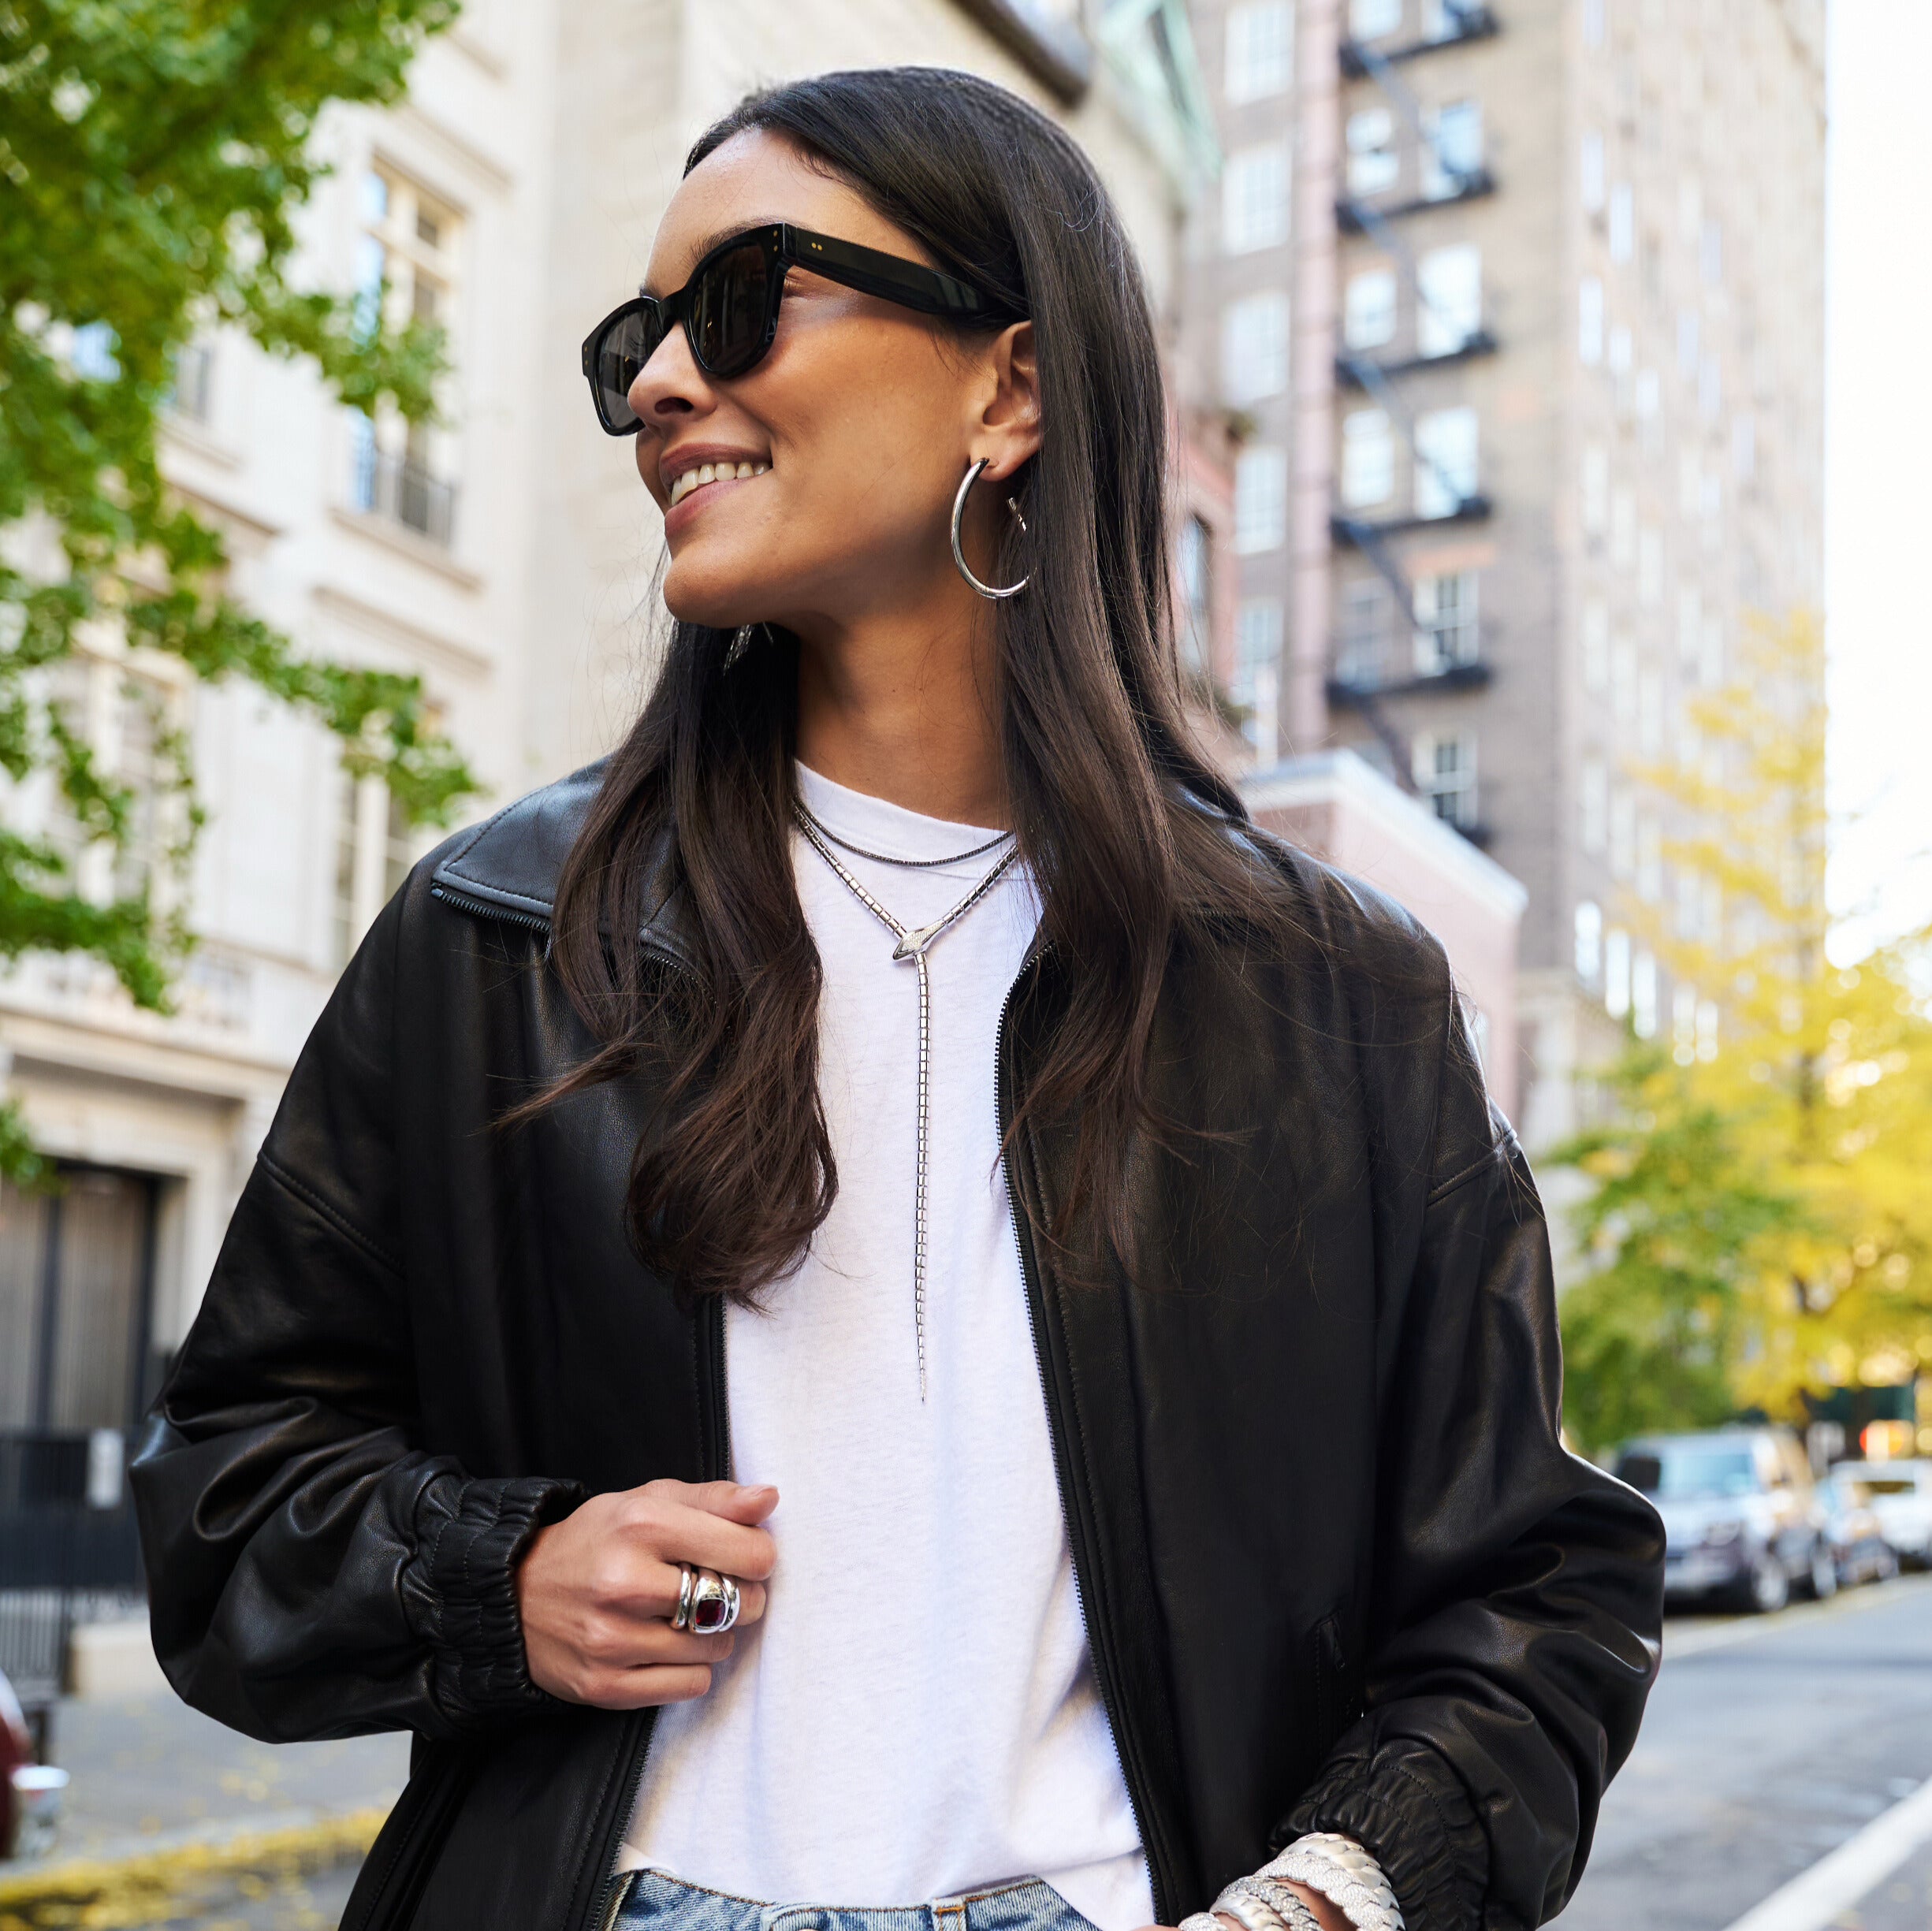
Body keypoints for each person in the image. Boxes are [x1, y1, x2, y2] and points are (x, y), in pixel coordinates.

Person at [131, 66, 1663, 1931]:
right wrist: (490, 1578)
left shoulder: (1329, 998)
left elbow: (1537, 1587)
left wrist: (1330, 1895)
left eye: (739, 300)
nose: (656, 387)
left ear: (1006, 388)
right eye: (635, 337)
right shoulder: (498, 937)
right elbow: (221, 1496)